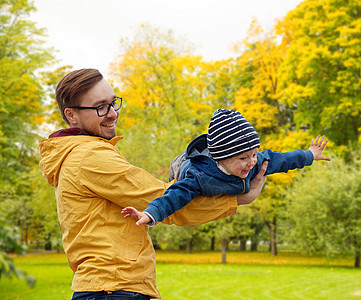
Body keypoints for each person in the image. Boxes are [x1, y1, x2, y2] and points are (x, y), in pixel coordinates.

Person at [38, 69, 267, 300]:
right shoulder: (90, 157)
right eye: (100, 107)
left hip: (111, 287)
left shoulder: (79, 155)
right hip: (113, 289)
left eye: (114, 103)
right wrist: (237, 198)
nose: (113, 113)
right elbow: (162, 200)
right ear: (71, 115)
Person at [122, 109, 331, 226]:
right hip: (185, 167)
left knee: (266, 159)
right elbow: (174, 195)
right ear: (222, 159)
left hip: (219, 170)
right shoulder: (199, 177)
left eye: (253, 154)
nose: (251, 162)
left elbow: (284, 159)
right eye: (243, 158)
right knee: (181, 181)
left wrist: (310, 154)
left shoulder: (256, 162)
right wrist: (151, 214)